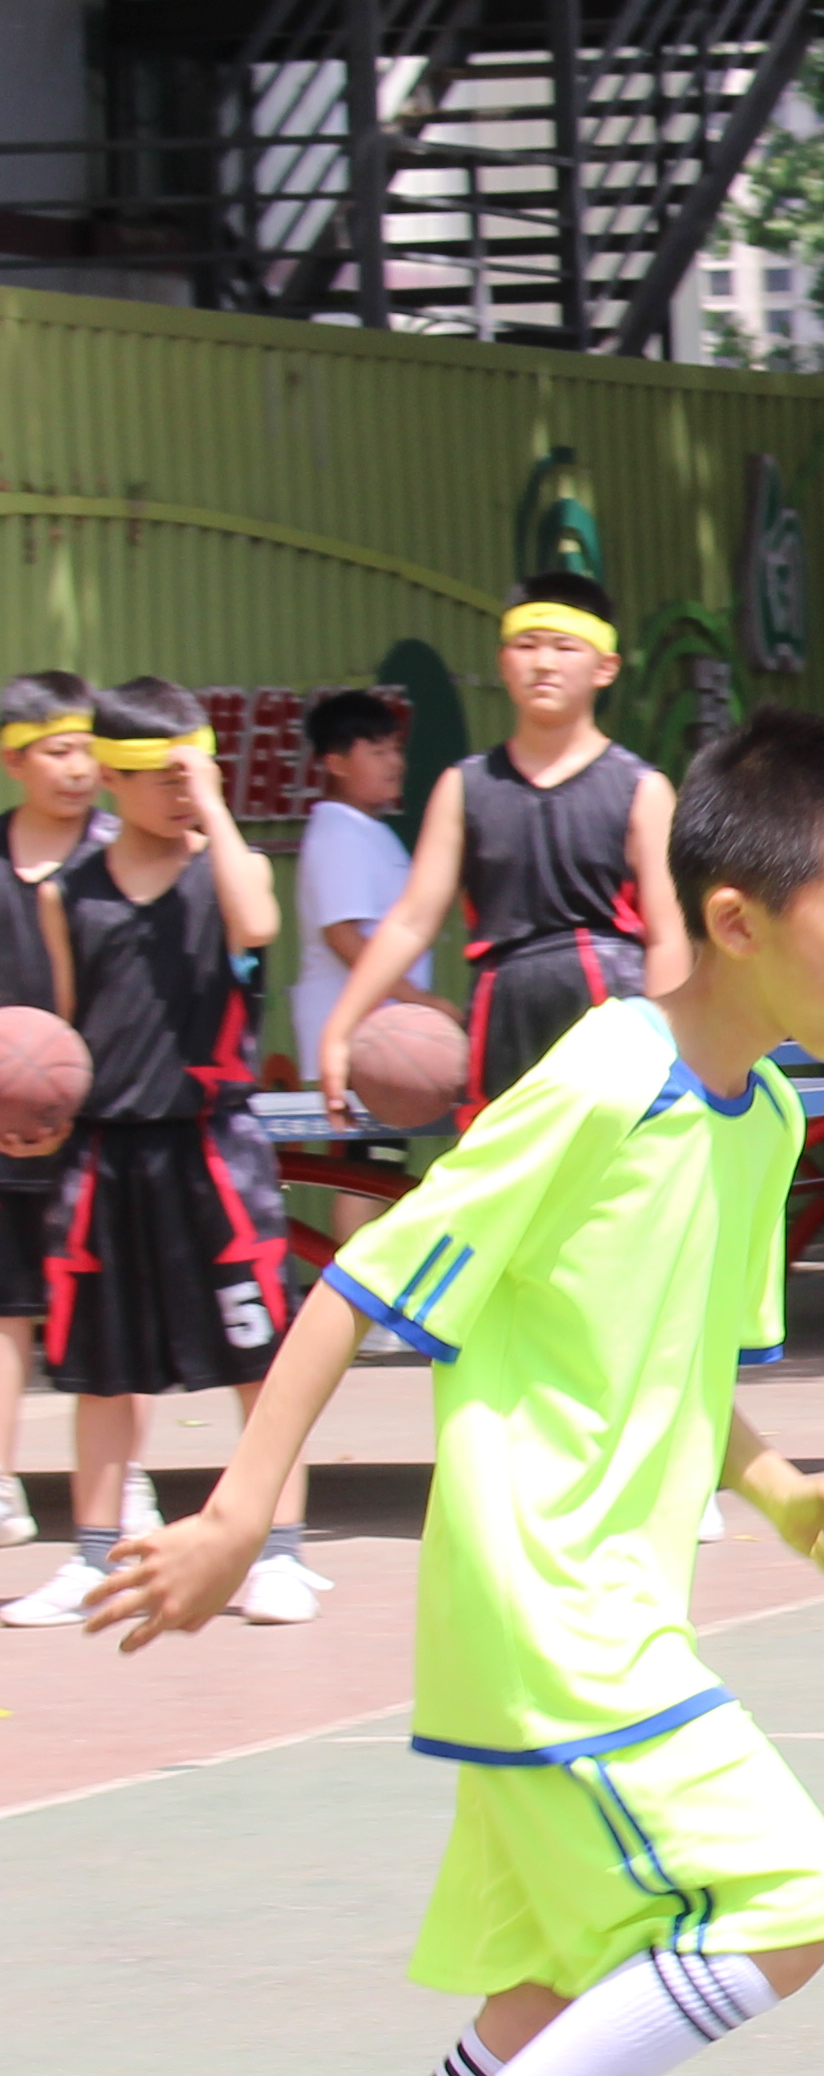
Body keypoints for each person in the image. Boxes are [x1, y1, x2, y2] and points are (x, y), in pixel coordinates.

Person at [93, 708, 824, 2076]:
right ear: (731, 918)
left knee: (545, 1996)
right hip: (553, 1607)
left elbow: (683, 1353)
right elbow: (363, 1286)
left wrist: (769, 1486)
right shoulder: (608, 1074)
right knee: (792, 1899)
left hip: (610, 1604)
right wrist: (243, 1510)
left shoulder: (759, 1110)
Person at [0, 678, 312, 1626]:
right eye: (162, 774)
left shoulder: (228, 870)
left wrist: (213, 803)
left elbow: (258, 924)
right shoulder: (71, 896)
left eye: (194, 769)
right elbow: (61, 1029)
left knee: (259, 1362)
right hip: (106, 1156)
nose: (181, 789)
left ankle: (279, 1554)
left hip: (212, 1149)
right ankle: (93, 1558)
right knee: (101, 1368)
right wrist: (37, 1104)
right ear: (113, 775)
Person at [319, 577, 686, 1119]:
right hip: (502, 1023)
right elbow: (412, 919)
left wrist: (668, 1047)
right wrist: (340, 1028)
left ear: (604, 667)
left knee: (619, 1197)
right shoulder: (464, 787)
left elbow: (668, 935)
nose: (543, 663)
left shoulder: (643, 790)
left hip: (615, 1020)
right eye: (526, 645)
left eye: (564, 647)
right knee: (511, 1199)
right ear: (502, 662)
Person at [0, 669, 111, 1548]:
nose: (78, 768)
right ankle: (1, 1486)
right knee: (7, 1310)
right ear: (15, 760)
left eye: (88, 749)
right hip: (7, 1119)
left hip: (103, 1120)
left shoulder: (121, 854)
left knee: (93, 1306)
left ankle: (122, 1479)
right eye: (58, 751)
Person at [286, 685, 433, 1080]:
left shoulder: (367, 829)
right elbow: (343, 936)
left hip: (388, 1042)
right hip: (357, 1049)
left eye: (395, 749)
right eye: (377, 752)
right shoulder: (340, 832)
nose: (395, 763)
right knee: (371, 1146)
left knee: (387, 1146)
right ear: (336, 764)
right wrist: (419, 1001)